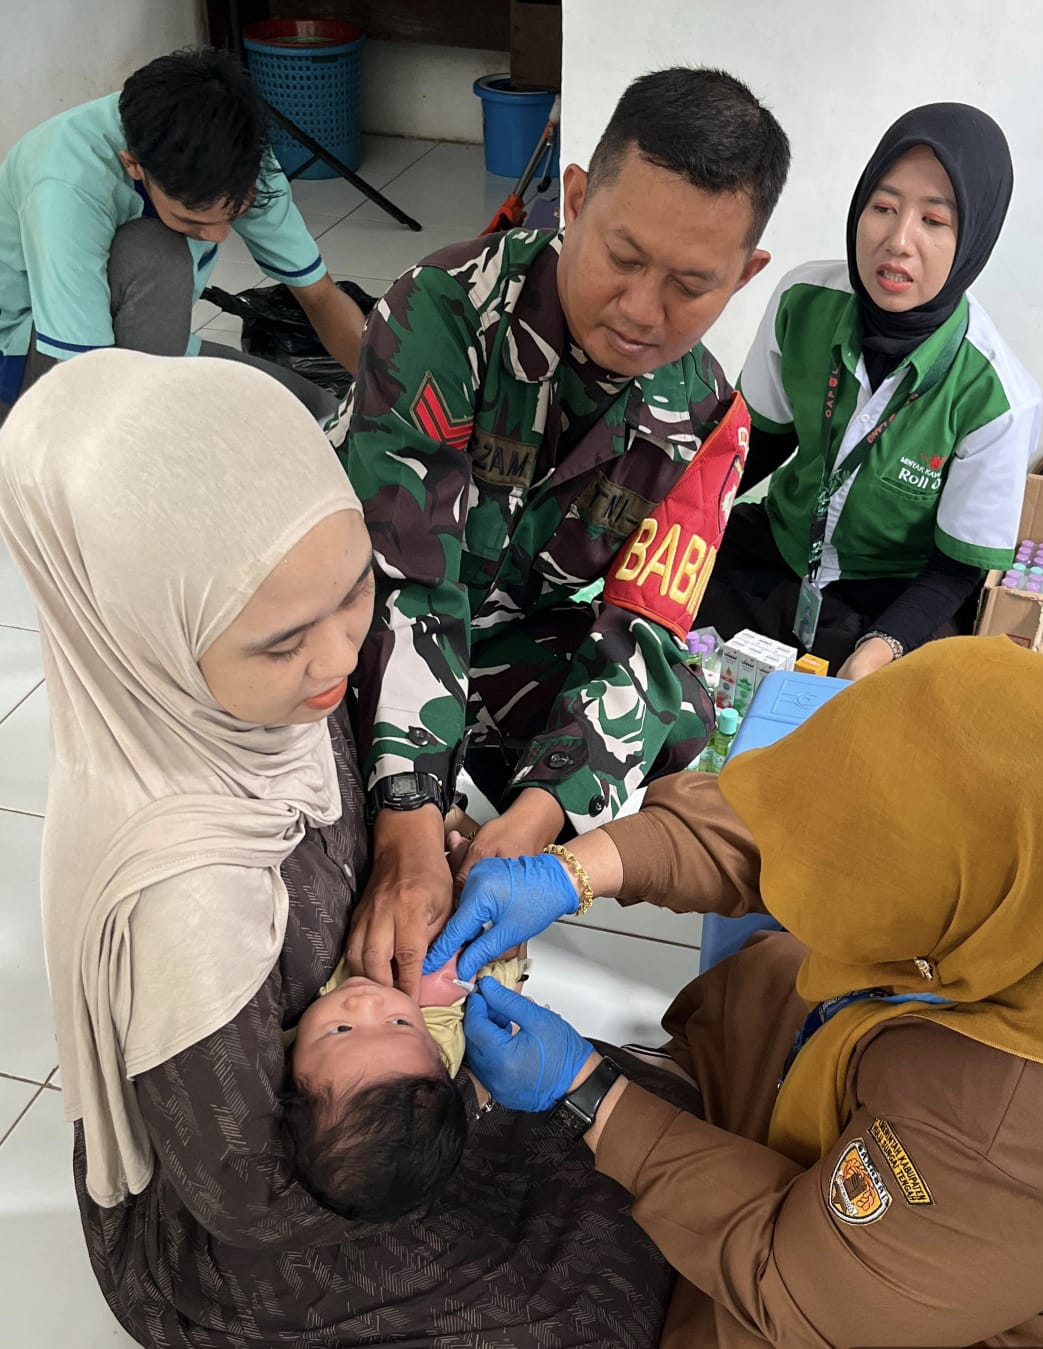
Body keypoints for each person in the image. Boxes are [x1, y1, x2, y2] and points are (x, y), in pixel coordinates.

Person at [0, 348, 699, 1348]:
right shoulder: (186, 906)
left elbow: (365, 820)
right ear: (146, 632)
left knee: (654, 1151)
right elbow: (248, 1195)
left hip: (389, 1085)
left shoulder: (260, 700)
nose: (339, 657)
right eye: (285, 640)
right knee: (585, 1289)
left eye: (355, 592)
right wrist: (445, 1103)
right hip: (291, 1196)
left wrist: (433, 856)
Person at [428, 637, 1043, 1348]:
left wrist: (587, 1091)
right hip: (880, 1077)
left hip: (893, 1281)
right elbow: (798, 816)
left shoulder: (1032, 1128)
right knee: (771, 971)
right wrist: (573, 871)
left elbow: (802, 1287)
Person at [336, 66, 791, 999]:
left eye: (691, 286)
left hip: (500, 629)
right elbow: (408, 582)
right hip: (364, 611)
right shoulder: (444, 310)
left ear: (745, 276)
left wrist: (541, 816)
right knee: (325, 789)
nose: (642, 310)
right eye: (623, 257)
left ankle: (489, 840)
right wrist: (408, 818)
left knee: (679, 712)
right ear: (575, 199)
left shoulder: (709, 419)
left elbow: (645, 632)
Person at [697, 103, 1042, 679]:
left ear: (975, 236)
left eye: (934, 220)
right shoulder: (803, 298)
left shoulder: (999, 398)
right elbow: (753, 446)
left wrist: (879, 649)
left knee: (884, 707)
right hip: (778, 552)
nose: (898, 241)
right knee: (662, 635)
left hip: (891, 595)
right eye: (883, 208)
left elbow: (955, 570)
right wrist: (675, 527)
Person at [0, 47, 365, 423]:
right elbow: (84, 377)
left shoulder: (236, 148)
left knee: (322, 417)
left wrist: (382, 400)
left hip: (133, 351)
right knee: (156, 254)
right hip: (35, 357)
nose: (218, 236)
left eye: (235, 215)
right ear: (133, 165)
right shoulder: (66, 186)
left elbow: (320, 295)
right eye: (192, 222)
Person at [282, 948, 529, 1223]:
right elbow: (501, 974)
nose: (367, 1001)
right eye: (399, 1023)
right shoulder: (433, 1048)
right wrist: (506, 975)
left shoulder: (277, 1038)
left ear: (290, 1067)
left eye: (341, 1029)